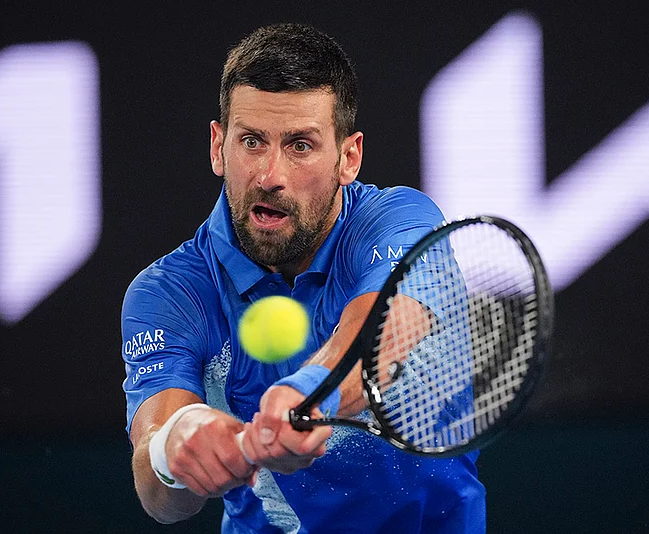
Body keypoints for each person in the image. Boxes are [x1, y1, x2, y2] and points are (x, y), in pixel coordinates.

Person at [122, 22, 486, 533]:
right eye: (251, 141)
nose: (270, 176)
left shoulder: (400, 220)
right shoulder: (170, 293)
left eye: (299, 145)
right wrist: (173, 448)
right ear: (217, 146)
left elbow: (381, 336)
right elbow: (159, 494)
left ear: (348, 157)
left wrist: (309, 393)